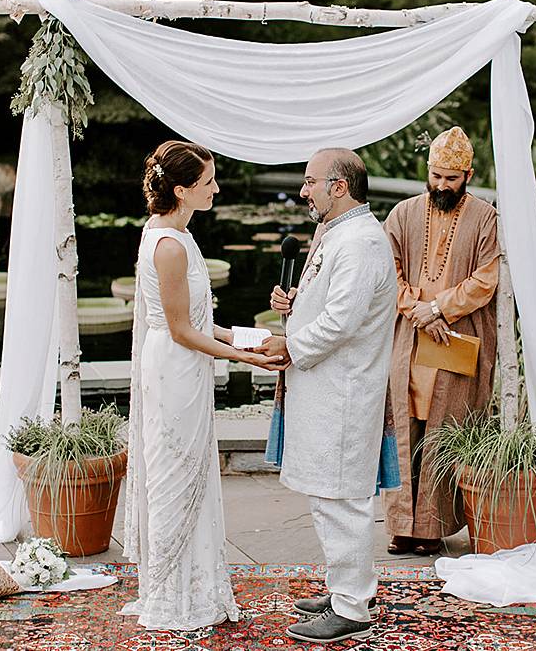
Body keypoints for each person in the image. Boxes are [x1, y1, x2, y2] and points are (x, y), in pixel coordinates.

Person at [122, 140, 285, 631]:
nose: (216, 188)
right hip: (173, 366)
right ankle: (171, 596)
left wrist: (251, 338)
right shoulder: (168, 245)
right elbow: (181, 330)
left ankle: (196, 588)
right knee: (173, 474)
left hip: (187, 363)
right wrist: (246, 358)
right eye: (208, 182)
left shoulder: (178, 234)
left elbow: (201, 321)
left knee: (192, 471)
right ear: (181, 189)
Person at [257, 148, 397, 644]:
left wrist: (288, 344)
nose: (303, 191)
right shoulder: (339, 233)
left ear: (339, 186)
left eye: (310, 182)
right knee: (327, 493)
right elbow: (331, 304)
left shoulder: (360, 242)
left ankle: (352, 607)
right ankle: (347, 587)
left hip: (344, 390)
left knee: (342, 498)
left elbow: (342, 322)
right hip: (325, 387)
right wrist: (293, 305)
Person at [381, 125, 501, 556]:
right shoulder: (403, 213)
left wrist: (441, 309)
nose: (441, 185)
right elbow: (386, 272)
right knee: (403, 427)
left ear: (468, 174)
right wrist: (418, 310)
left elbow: (486, 279)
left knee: (443, 428)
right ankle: (401, 524)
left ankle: (430, 530)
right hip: (410, 342)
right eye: (435, 176)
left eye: (451, 178)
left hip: (456, 339)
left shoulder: (485, 217)